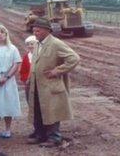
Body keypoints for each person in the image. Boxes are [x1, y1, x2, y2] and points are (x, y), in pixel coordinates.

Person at [27, 18, 80, 147]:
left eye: (38, 30)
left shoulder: (56, 43)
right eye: (34, 30)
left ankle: (54, 138)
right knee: (38, 110)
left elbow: (74, 58)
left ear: (47, 30)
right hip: (36, 85)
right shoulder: (37, 43)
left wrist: (57, 71)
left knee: (52, 110)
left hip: (50, 85)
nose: (35, 32)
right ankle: (40, 135)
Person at [0, 24, 22, 138]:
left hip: (9, 80)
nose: (1, 34)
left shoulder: (12, 48)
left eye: (3, 32)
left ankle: (7, 129)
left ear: (6, 34)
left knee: (8, 103)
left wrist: (6, 77)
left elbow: (16, 63)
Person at [19, 35, 38, 104]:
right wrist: (26, 80)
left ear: (37, 44)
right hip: (29, 83)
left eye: (32, 44)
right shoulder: (26, 57)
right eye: (28, 44)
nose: (30, 46)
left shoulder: (41, 55)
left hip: (40, 83)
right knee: (30, 101)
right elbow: (22, 71)